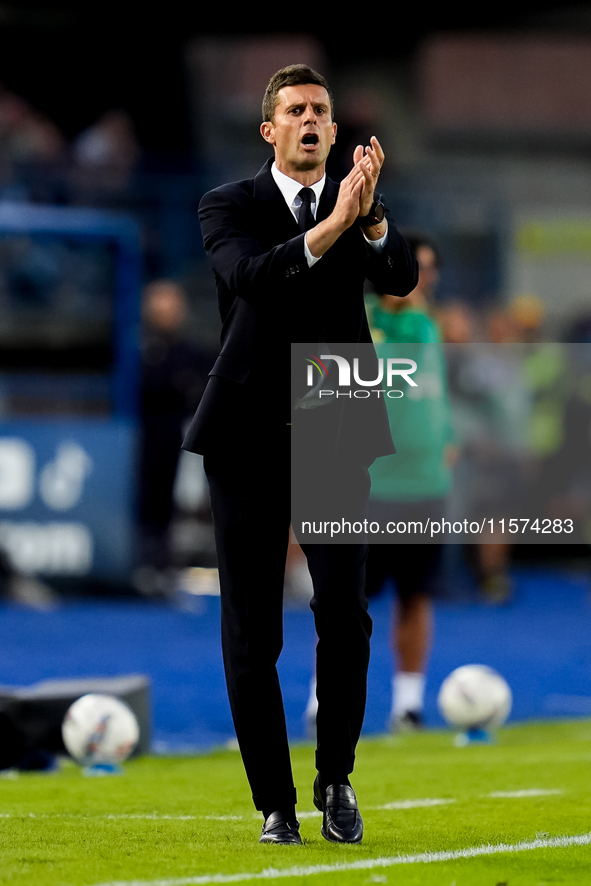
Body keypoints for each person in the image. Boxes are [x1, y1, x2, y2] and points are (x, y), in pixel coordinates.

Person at [182, 65, 417, 846]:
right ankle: (275, 802)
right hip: (246, 430)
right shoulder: (229, 205)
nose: (312, 120)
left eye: (320, 109)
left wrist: (371, 216)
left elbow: (400, 278)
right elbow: (250, 277)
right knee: (252, 631)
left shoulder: (358, 204)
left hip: (334, 414)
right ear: (270, 131)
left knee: (344, 618)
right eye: (296, 111)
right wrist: (331, 225)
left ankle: (335, 778)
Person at [364, 233, 454, 730]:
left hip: (425, 485)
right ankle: (325, 699)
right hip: (365, 487)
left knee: (415, 596)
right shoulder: (358, 321)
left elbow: (435, 394)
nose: (421, 279)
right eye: (411, 268)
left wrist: (448, 438)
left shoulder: (431, 327)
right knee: (345, 600)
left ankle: (409, 704)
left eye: (427, 269)